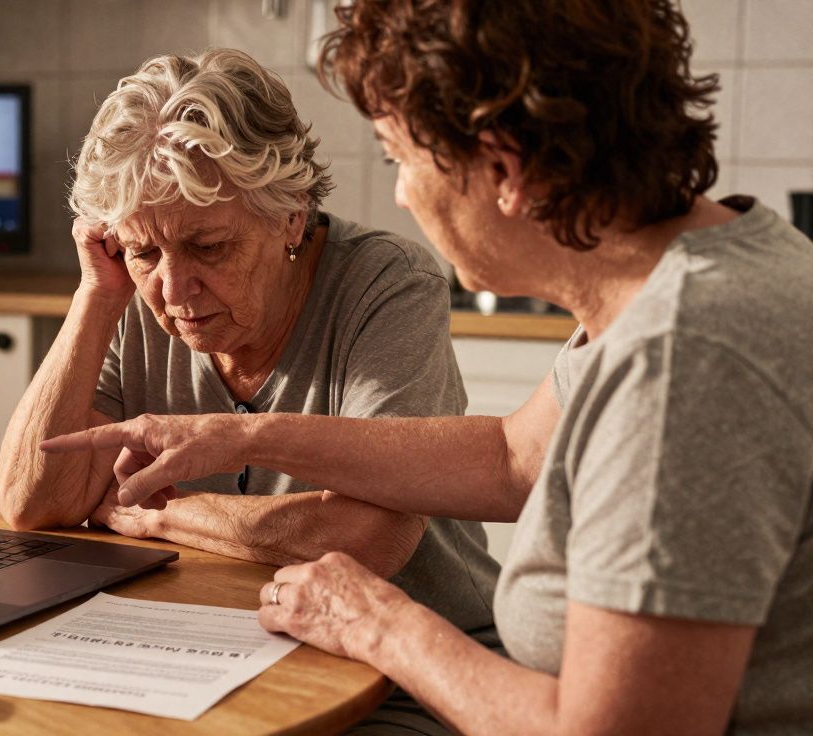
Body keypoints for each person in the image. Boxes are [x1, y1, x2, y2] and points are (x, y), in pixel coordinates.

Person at [43, 1, 813, 733]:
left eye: (400, 158)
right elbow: (509, 459)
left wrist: (378, 624)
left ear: (503, 169)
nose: (403, 195)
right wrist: (243, 437)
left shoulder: (681, 359)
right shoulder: (697, 274)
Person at [0, 49, 500, 733]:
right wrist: (97, 293)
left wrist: (158, 516)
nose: (174, 291)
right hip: (218, 658)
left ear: (291, 215)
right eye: (143, 252)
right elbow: (33, 502)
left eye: (209, 247)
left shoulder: (387, 285)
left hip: (417, 675)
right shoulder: (135, 297)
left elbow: (366, 540)